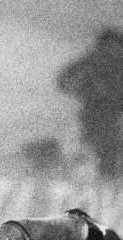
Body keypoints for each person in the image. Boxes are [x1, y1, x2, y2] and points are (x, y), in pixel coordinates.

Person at [58, 27, 123, 178]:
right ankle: (105, 177)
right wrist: (84, 91)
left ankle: (105, 177)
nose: (111, 50)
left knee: (103, 145)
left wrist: (83, 91)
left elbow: (64, 81)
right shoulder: (92, 61)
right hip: (100, 111)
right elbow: (64, 81)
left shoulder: (92, 60)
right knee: (103, 146)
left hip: (104, 112)